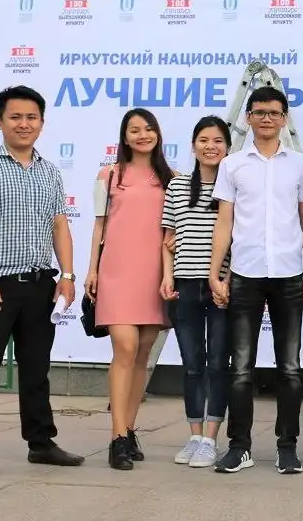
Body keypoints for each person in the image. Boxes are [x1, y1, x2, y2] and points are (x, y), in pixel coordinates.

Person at [0, 85, 86, 481]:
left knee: (36, 370)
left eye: (31, 117)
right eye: (15, 117)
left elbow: (59, 226)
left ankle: (41, 443)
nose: (23, 124)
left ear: (42, 123)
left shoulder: (50, 172)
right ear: (0, 122)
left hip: (40, 287)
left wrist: (67, 275)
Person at [208, 86, 303, 475]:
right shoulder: (232, 165)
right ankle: (239, 447)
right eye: (259, 112)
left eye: (274, 112)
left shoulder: (301, 165)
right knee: (240, 368)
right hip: (245, 274)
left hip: (289, 274)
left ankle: (287, 446)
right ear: (248, 118)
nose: (267, 118)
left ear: (284, 118)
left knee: (290, 367)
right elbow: (225, 220)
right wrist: (215, 272)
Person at [86, 108, 175, 470]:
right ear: (124, 137)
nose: (142, 135)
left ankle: (129, 429)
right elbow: (99, 226)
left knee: (142, 352)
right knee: (124, 346)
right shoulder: (108, 175)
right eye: (134, 130)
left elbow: (173, 232)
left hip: (154, 273)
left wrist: (169, 274)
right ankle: (116, 437)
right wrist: (91, 270)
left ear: (158, 134)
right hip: (117, 271)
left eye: (148, 128)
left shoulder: (172, 179)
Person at [160, 116, 233, 468]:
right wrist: (167, 277)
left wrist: (227, 279)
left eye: (218, 141)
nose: (210, 146)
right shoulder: (177, 186)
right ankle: (193, 436)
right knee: (192, 365)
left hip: (221, 288)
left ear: (228, 148)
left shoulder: (234, 186)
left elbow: (240, 238)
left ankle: (211, 440)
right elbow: (168, 238)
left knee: (218, 363)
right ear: (193, 146)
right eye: (204, 140)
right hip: (185, 285)